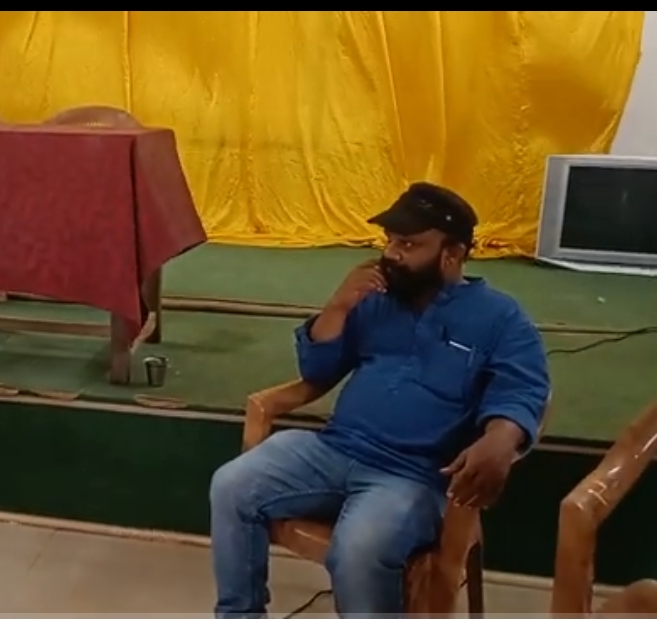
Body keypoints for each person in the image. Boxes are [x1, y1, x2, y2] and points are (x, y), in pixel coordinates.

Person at [209, 182, 550, 618]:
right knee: (232, 486)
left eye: (408, 244)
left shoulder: (501, 317)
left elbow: (524, 389)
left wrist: (501, 438)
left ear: (452, 254)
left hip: (413, 476)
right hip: (333, 450)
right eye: (390, 241)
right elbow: (317, 371)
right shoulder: (377, 302)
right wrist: (338, 306)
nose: (391, 254)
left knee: (359, 547)